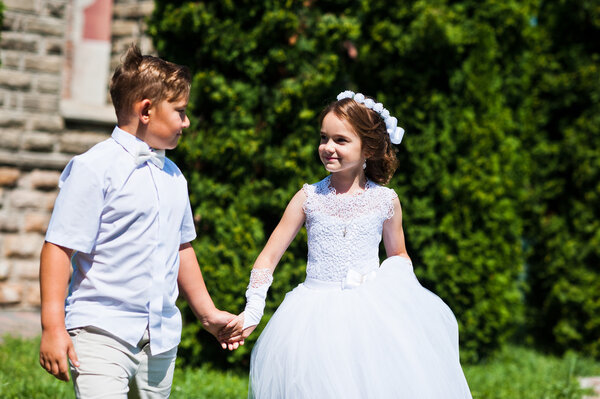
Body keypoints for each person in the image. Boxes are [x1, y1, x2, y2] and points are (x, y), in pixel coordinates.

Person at [223, 91, 473, 398]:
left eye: (340, 140)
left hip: (369, 318)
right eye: (324, 138)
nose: (328, 147)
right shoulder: (308, 198)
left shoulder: (386, 201)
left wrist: (396, 293)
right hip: (312, 318)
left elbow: (398, 254)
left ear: (367, 148)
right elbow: (268, 257)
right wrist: (253, 310)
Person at [39, 45, 238, 398]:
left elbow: (182, 247)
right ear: (146, 110)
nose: (186, 122)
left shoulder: (175, 176)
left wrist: (207, 315)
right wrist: (53, 326)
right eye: (180, 112)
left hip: (159, 339)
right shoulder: (94, 168)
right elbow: (58, 247)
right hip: (102, 330)